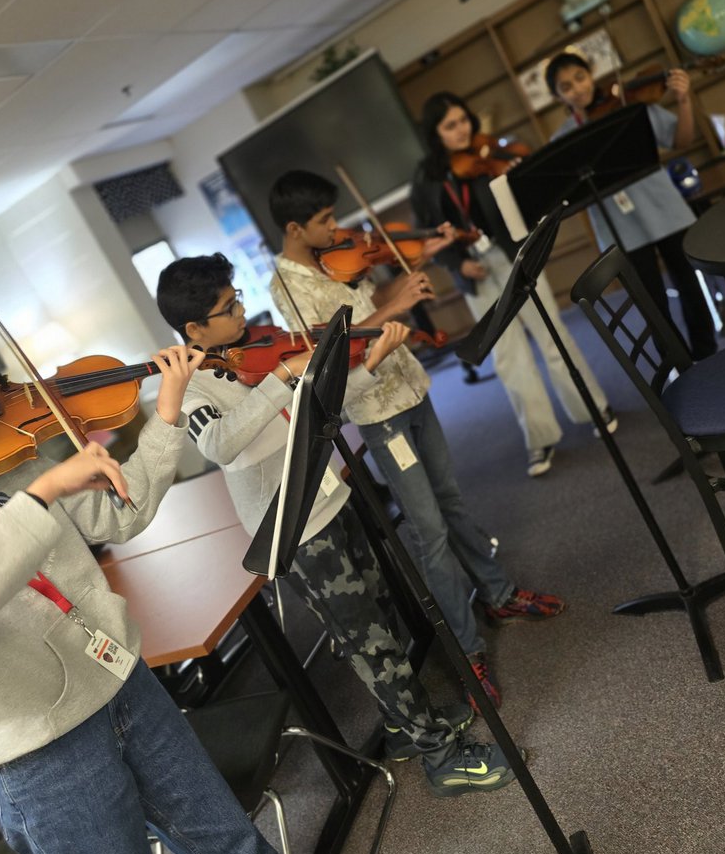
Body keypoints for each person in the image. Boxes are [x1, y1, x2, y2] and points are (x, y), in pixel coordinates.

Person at [0, 316, 301, 854]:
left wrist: (167, 416)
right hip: (42, 754)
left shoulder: (1, 455)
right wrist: (35, 502)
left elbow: (118, 516)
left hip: (125, 687)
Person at [155, 254, 520, 798]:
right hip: (295, 528)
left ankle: (402, 725)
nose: (241, 311)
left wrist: (370, 363)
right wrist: (281, 379)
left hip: (332, 497)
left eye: (236, 298)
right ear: (194, 330)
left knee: (380, 620)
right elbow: (223, 446)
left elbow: (322, 401)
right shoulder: (188, 388)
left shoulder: (254, 346)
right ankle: (441, 758)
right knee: (369, 641)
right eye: (227, 307)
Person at [266, 170, 567, 708]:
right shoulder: (286, 289)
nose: (337, 229)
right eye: (324, 221)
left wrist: (406, 279)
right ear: (294, 227)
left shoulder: (333, 256)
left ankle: (497, 595)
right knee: (428, 529)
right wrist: (392, 309)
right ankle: (468, 650)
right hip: (377, 410)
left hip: (412, 388)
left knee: (451, 500)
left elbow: (367, 298)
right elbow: (332, 352)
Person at [412, 92, 617, 478]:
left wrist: (517, 174)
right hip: (477, 271)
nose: (462, 130)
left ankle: (593, 406)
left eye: (464, 120)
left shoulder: (491, 154)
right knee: (508, 357)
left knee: (553, 334)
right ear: (435, 134)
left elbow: (526, 202)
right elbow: (429, 236)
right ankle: (539, 438)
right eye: (450, 126)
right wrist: (458, 263)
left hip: (516, 253)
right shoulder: (425, 179)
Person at [543, 51, 717, 360]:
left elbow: (682, 140)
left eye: (580, 78)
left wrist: (683, 99)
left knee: (691, 287)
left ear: (591, 74)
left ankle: (708, 354)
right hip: (621, 228)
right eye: (566, 86)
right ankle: (681, 366)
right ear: (558, 97)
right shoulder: (563, 139)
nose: (578, 89)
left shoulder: (629, 104)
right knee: (652, 305)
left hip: (665, 209)